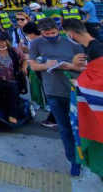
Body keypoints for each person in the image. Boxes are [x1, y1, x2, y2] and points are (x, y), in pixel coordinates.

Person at [29, 18, 85, 176]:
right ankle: (73, 161)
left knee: (80, 128)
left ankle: (84, 155)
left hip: (74, 91)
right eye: (46, 34)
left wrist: (68, 66)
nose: (50, 36)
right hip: (53, 92)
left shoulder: (73, 44)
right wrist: (46, 65)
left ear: (58, 29)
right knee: (65, 128)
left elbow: (83, 66)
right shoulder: (36, 44)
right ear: (41, 33)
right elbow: (33, 65)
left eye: (53, 33)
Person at [22, 23, 57, 128]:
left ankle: (54, 119)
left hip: (47, 72)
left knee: (52, 96)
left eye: (27, 34)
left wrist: (28, 58)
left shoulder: (39, 42)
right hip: (44, 72)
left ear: (31, 33)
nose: (27, 37)